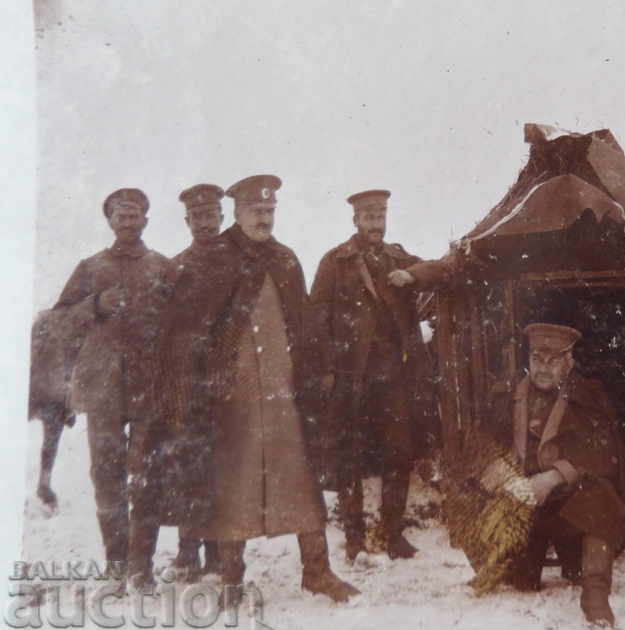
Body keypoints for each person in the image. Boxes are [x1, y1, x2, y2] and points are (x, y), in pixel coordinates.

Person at [154, 174, 358, 603]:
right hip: (233, 396)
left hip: (284, 392)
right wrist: (203, 384)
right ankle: (231, 579)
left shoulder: (285, 259)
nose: (264, 218)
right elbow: (188, 330)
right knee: (233, 484)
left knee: (300, 478)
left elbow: (305, 320)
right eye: (256, 211)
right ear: (238, 212)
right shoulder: (215, 259)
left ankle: (317, 571)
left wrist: (320, 370)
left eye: (269, 210)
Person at [309, 189, 437, 562]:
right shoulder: (335, 262)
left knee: (399, 454)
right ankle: (354, 538)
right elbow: (316, 319)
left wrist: (411, 275)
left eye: (380, 216)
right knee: (350, 458)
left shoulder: (398, 257)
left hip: (394, 378)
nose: (376, 224)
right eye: (369, 217)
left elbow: (441, 270)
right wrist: (328, 369)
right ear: (356, 220)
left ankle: (393, 534)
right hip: (353, 379)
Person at [52, 188, 175, 571]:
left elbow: (181, 324)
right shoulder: (90, 268)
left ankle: (142, 565)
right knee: (106, 476)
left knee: (147, 476)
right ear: (109, 221)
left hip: (149, 387)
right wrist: (95, 305)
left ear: (146, 221)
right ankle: (116, 563)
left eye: (134, 215)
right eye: (121, 215)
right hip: (102, 388)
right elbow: (59, 322)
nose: (128, 222)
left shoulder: (163, 267)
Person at [482, 323, 625, 627]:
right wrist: (498, 468)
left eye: (553, 361)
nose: (543, 368)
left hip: (568, 511)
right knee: (522, 582)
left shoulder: (587, 397)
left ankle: (595, 595)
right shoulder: (506, 395)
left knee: (601, 496)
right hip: (524, 510)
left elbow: (603, 455)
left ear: (568, 362)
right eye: (537, 359)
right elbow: (481, 445)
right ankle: (527, 562)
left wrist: (552, 478)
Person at [148, 184, 226, 582]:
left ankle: (219, 553)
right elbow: (163, 330)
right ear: (187, 222)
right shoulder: (175, 268)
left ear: (222, 217)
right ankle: (188, 551)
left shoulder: (237, 265)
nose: (205, 223)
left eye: (211, 215)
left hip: (227, 382)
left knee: (222, 467)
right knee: (189, 466)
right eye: (198, 217)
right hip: (187, 384)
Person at [28, 307, 81, 509]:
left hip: (43, 388)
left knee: (51, 436)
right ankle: (44, 484)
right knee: (51, 437)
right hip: (49, 390)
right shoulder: (72, 323)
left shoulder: (45, 319)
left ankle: (44, 484)